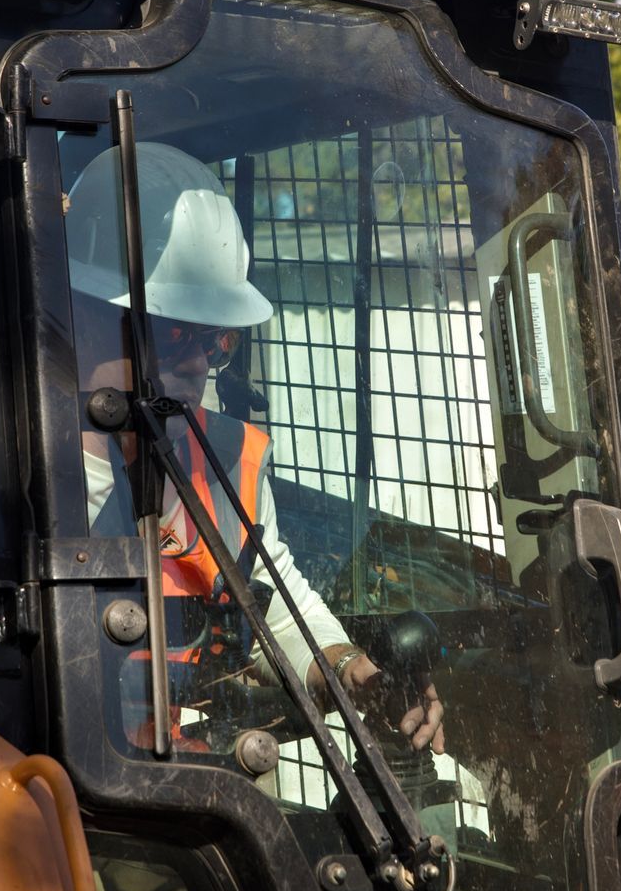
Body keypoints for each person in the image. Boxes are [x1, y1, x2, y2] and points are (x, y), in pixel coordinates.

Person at [66, 143, 445, 753]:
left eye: (216, 341)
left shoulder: (223, 459)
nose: (196, 364)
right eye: (176, 333)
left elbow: (273, 595)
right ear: (82, 314)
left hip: (172, 793)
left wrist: (351, 670)